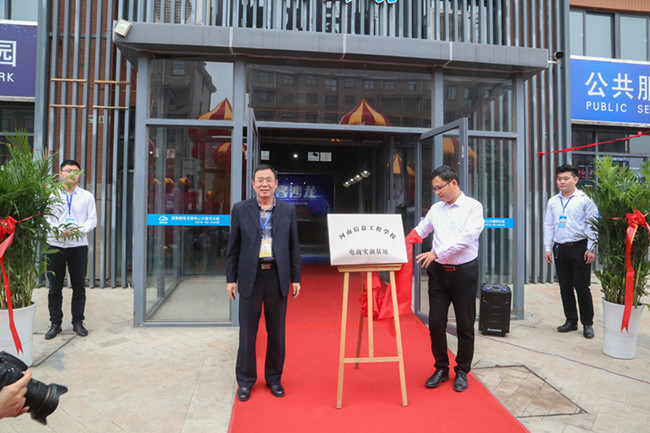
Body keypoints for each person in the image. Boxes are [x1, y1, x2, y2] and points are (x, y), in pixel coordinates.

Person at [226, 164, 301, 402]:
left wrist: (296, 278)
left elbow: (294, 247)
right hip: (251, 277)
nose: (264, 184)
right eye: (260, 180)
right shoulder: (240, 209)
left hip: (277, 277)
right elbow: (233, 247)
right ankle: (245, 381)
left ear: (276, 184)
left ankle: (274, 378)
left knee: (276, 332)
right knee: (247, 332)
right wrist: (230, 279)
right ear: (253, 184)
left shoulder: (288, 210)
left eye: (269, 179)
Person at [412, 165, 484, 393]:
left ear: (453, 183)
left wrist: (437, 253)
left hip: (464, 274)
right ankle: (441, 368)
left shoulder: (473, 207)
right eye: (434, 189)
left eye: (439, 188)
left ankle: (462, 370)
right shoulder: (436, 209)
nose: (437, 193)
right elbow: (422, 229)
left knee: (465, 325)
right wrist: (404, 240)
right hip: (439, 274)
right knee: (435, 323)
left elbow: (467, 238)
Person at [543, 164, 598, 339]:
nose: (562, 182)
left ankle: (587, 324)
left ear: (575, 179)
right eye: (559, 179)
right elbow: (548, 225)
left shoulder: (584, 200)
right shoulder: (553, 201)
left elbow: (592, 225)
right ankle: (571, 320)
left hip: (580, 248)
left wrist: (591, 248)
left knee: (582, 287)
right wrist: (547, 247)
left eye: (566, 178)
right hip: (560, 248)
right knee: (565, 287)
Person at [45, 160, 98, 339]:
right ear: (60, 174)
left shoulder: (87, 196)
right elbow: (45, 219)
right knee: (54, 287)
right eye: (68, 170)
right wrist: (60, 230)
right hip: (55, 245)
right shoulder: (50, 195)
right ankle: (55, 323)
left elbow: (92, 220)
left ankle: (78, 322)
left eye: (76, 171)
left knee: (79, 286)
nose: (73, 174)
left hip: (78, 246)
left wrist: (77, 230)